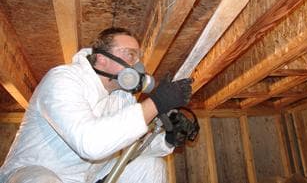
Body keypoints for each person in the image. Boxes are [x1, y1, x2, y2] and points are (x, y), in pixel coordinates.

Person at [0, 27, 192, 183]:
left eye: (137, 58)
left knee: (150, 166)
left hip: (87, 177)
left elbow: (130, 147)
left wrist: (168, 140)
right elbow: (90, 143)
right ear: (102, 57)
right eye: (130, 55)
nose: (137, 66)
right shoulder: (64, 79)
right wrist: (156, 104)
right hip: (33, 172)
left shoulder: (122, 97)